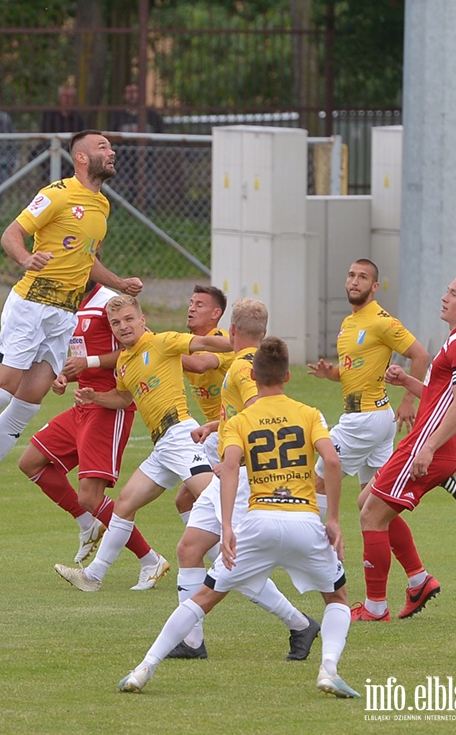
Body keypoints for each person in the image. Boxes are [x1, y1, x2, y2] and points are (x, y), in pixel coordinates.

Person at [118, 337, 360, 698]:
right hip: (304, 522)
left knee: (202, 599)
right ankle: (328, 670)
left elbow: (229, 468)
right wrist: (335, 520)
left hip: (258, 525)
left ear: (254, 378)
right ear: (288, 377)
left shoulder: (239, 420)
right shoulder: (310, 413)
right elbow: (334, 462)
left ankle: (144, 668)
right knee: (337, 598)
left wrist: (228, 526)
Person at [0, 130, 143, 537]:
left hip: (62, 315)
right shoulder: (57, 193)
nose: (111, 151)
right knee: (3, 388)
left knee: (28, 404)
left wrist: (118, 282)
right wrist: (26, 257)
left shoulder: (101, 204)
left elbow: (86, 261)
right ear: (82, 158)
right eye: (103, 147)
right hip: (32, 305)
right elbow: (10, 233)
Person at [168, 298, 321, 664]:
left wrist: (234, 459)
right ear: (263, 334)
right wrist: (215, 426)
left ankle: (298, 623)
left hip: (244, 478)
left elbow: (261, 412)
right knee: (191, 549)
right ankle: (191, 641)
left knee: (232, 563)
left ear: (231, 331)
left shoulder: (240, 366)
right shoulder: (250, 364)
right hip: (234, 472)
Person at [53, 294, 233, 592]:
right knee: (124, 504)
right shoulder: (123, 362)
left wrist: (248, 342)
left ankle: (237, 561)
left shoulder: (162, 341)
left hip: (179, 434)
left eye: (128, 320)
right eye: (115, 323)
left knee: (212, 496)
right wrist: (95, 397)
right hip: (162, 446)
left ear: (142, 320)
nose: (123, 327)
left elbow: (205, 345)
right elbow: (124, 398)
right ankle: (92, 576)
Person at [350, 273, 456, 622]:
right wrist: (408, 382)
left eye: (454, 293)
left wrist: (428, 449)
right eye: (447, 290)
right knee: (366, 501)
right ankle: (418, 580)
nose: (445, 296)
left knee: (371, 516)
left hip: (426, 446)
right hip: (425, 442)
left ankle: (375, 607)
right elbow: (442, 397)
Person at [18, 278, 169, 591]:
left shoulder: (110, 302)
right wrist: (62, 376)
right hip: (82, 403)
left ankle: (150, 559)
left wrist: (87, 365)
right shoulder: (72, 302)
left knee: (91, 496)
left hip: (107, 406)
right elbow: (77, 352)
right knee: (30, 462)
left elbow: (137, 348)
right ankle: (88, 523)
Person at [307, 258, 456, 516]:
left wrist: (408, 401)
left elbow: (420, 355)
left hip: (364, 420)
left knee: (318, 482)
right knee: (374, 505)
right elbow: (351, 371)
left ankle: (318, 555)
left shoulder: (382, 321)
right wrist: (331, 374)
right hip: (376, 420)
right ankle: (435, 478)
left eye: (362, 277)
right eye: (351, 275)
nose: (354, 281)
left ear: (375, 286)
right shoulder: (349, 322)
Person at [174, 284, 234, 524]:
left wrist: (158, 350)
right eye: (191, 303)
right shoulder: (189, 343)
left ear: (215, 314)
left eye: (199, 305)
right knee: (186, 500)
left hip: (232, 430)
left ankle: (230, 553)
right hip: (214, 431)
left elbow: (200, 365)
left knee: (215, 500)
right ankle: (220, 558)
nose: (191, 308)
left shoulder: (222, 340)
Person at [109, 81, 164, 209]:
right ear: (124, 96)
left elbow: (159, 135)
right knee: (122, 181)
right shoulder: (118, 115)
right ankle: (120, 206)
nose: (132, 95)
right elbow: (111, 135)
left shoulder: (152, 115)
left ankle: (147, 208)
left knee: (148, 182)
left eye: (135, 92)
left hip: (147, 156)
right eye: (129, 92)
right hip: (124, 156)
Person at [29, 84, 86, 179]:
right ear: (59, 98)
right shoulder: (49, 115)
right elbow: (45, 135)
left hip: (70, 152)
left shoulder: (78, 118)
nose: (67, 100)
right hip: (50, 149)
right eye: (65, 96)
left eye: (71, 97)